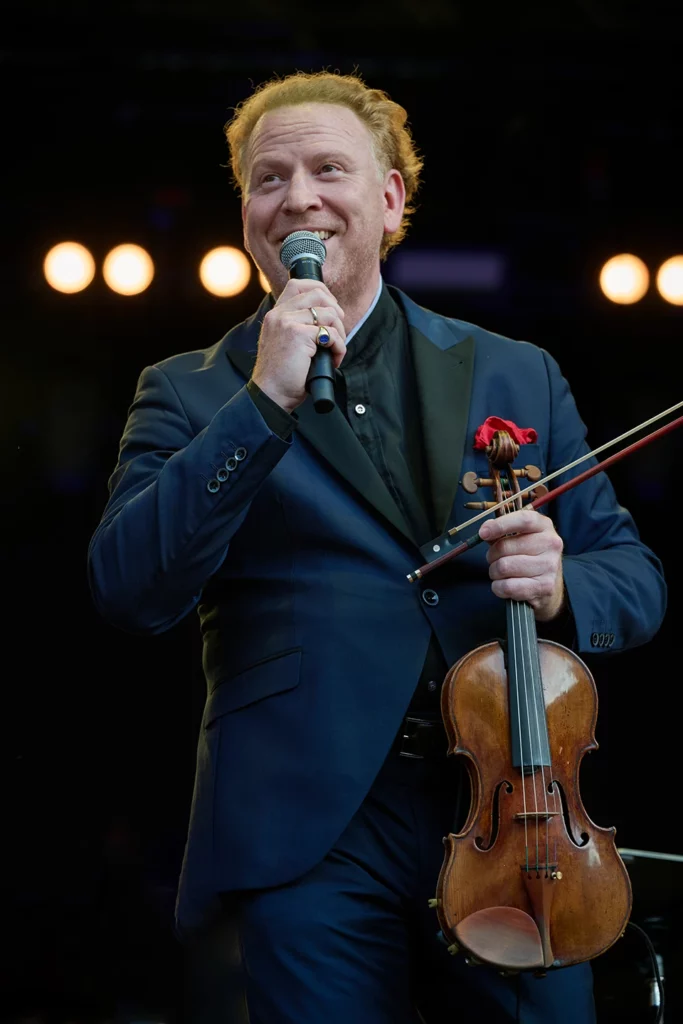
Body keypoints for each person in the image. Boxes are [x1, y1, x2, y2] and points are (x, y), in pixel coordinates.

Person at [88, 71, 666, 1023]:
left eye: (327, 170)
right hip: (306, 821)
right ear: (247, 216)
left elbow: (633, 577)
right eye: (269, 179)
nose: (299, 198)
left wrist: (565, 582)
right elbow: (128, 587)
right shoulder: (189, 392)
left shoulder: (513, 371)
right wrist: (260, 402)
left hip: (512, 809)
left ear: (390, 199)